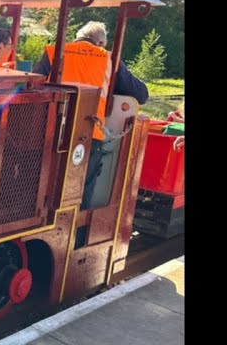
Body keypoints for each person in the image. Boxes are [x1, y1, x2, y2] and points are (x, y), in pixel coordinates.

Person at [33, 22, 149, 210]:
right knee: (81, 191)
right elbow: (141, 94)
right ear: (101, 42)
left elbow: (34, 85)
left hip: (51, 131)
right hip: (88, 134)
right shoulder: (109, 59)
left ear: (77, 37)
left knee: (43, 183)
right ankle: (76, 234)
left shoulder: (53, 51)